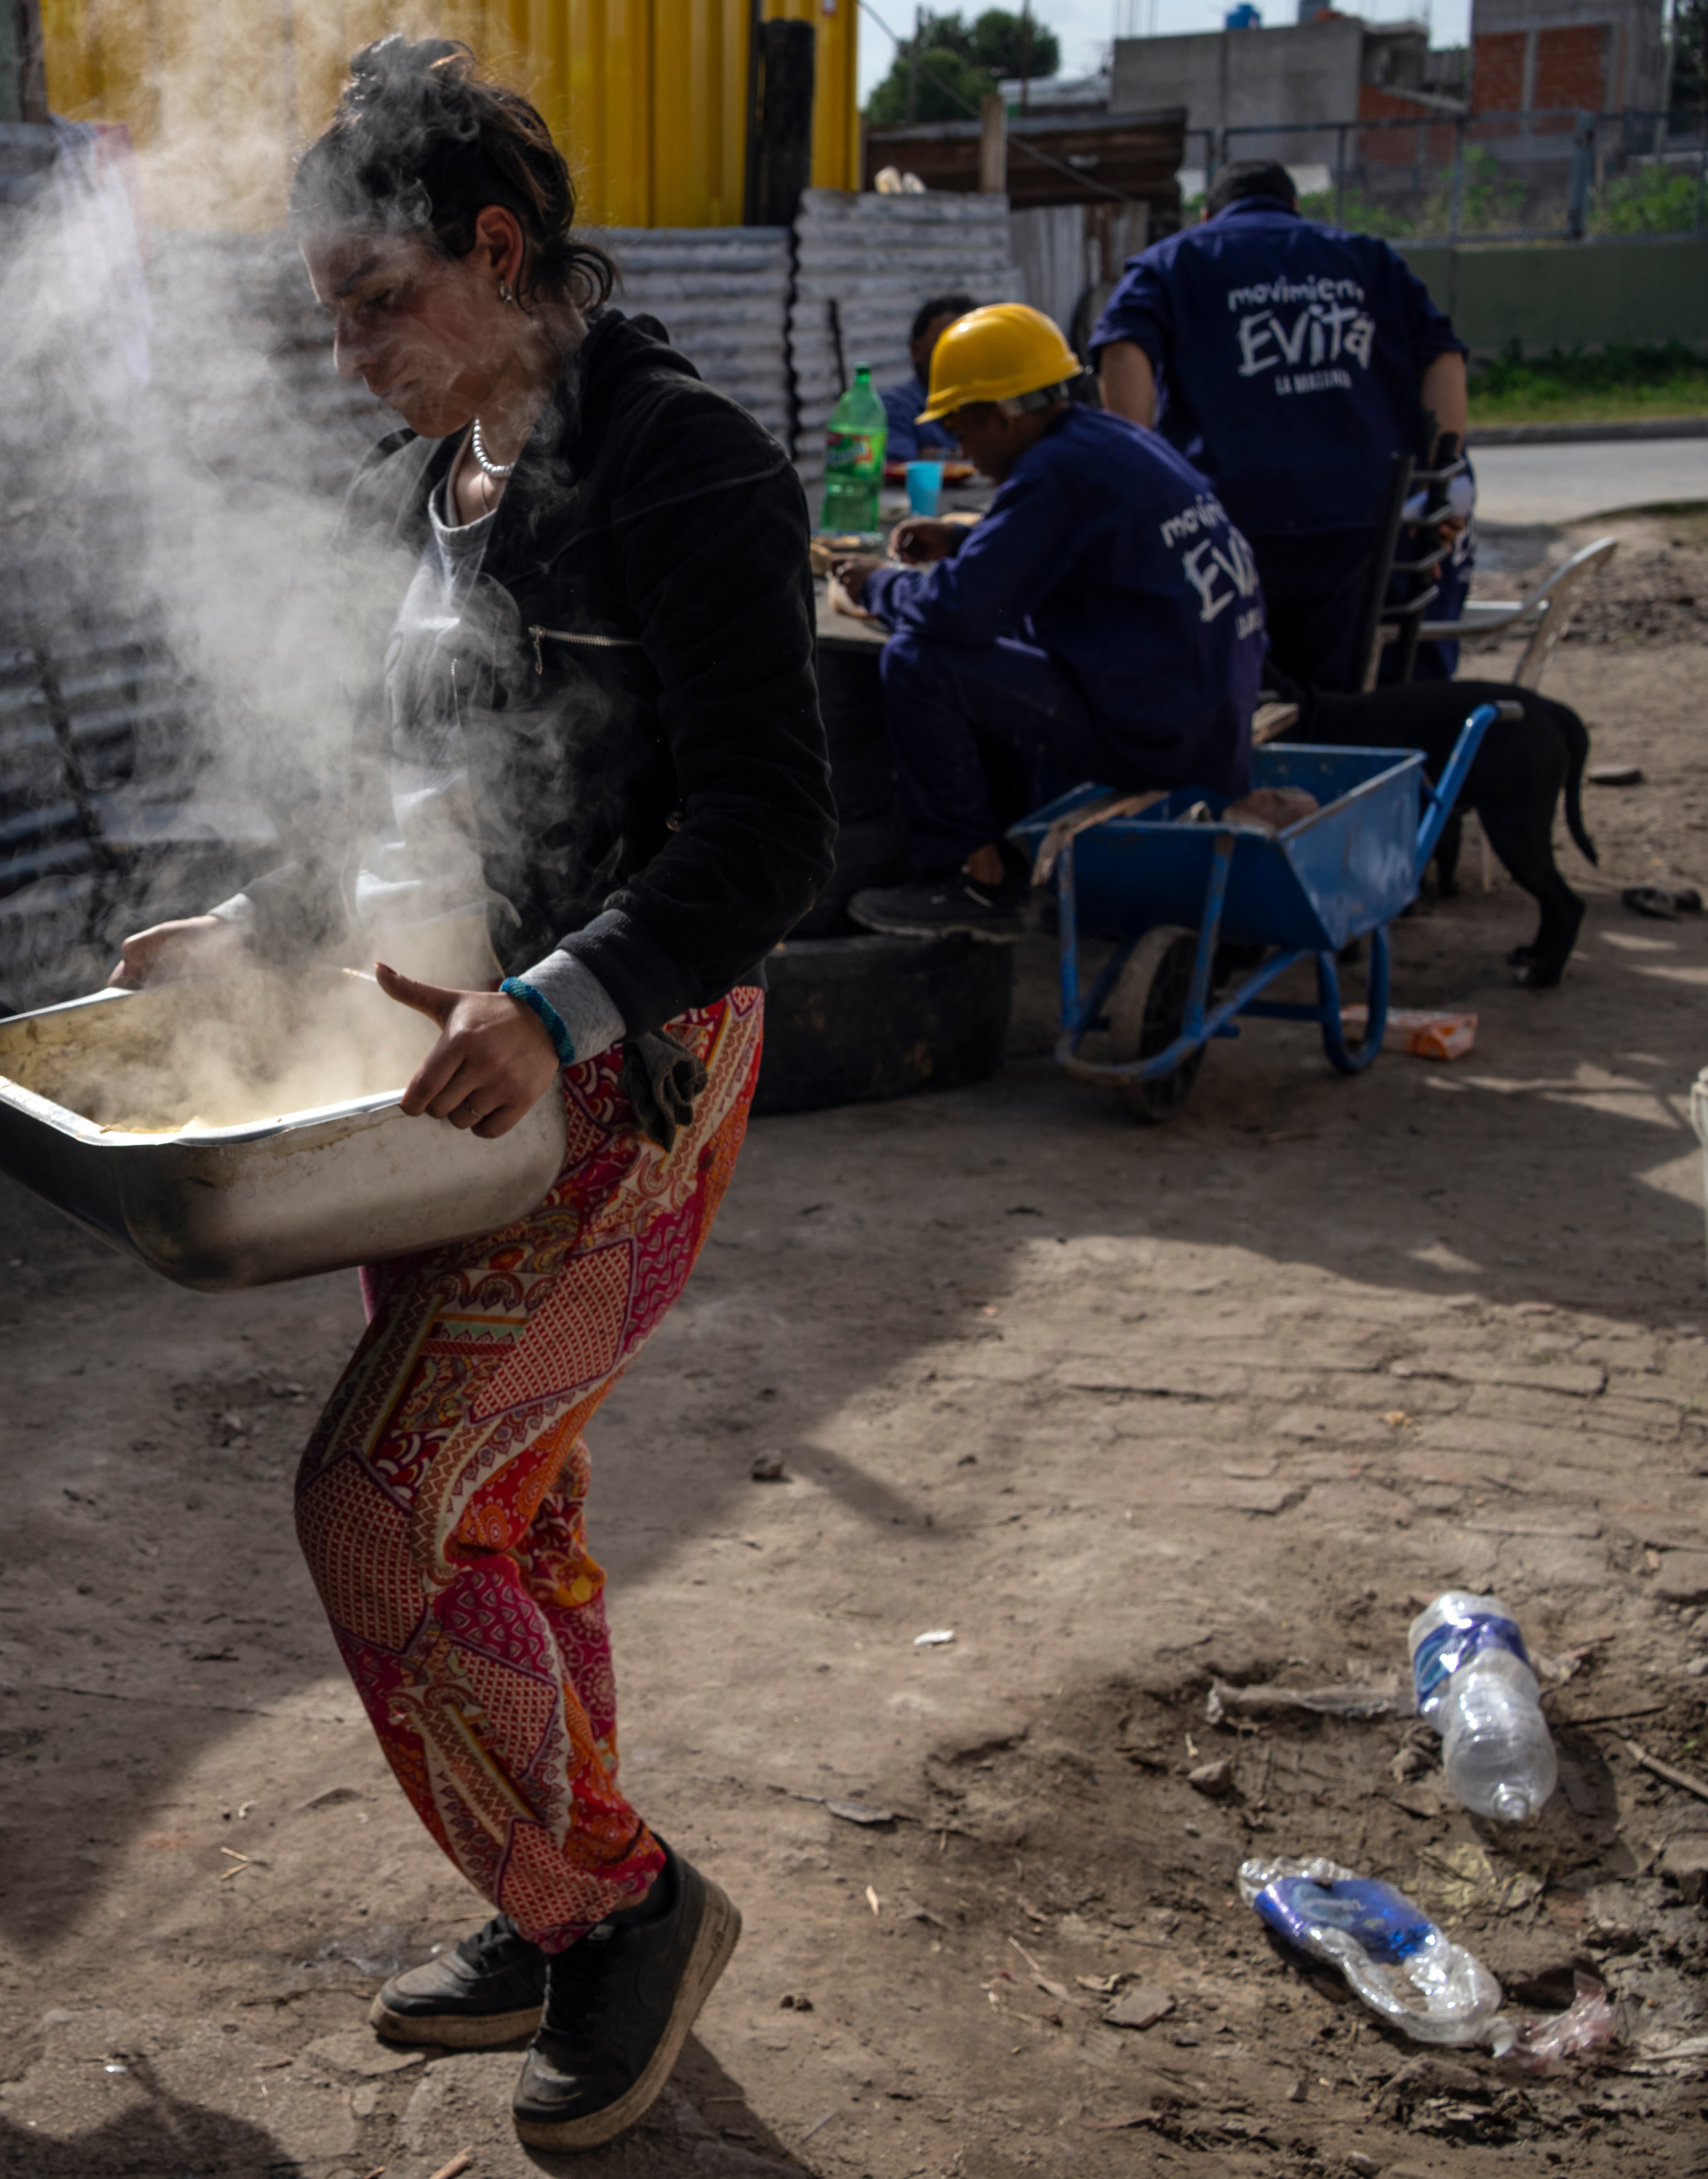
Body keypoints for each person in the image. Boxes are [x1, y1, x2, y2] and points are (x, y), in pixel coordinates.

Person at [112, 39, 833, 2153]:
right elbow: (388, 795)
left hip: (629, 1078)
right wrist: (252, 919)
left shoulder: (682, 463)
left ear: (497, 251)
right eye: (326, 311)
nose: (344, 353)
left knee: (378, 1500)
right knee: (514, 1515)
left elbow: (774, 835)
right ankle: (549, 1895)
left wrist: (559, 993)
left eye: (373, 302)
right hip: (445, 1070)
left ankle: (624, 1904)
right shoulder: (430, 483)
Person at [832, 304, 1267, 940]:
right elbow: (1068, 542)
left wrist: (879, 583)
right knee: (1000, 633)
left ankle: (973, 878)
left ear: (1003, 418)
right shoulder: (1114, 442)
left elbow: (956, 611)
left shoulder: (1055, 473)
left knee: (918, 659)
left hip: (1161, 735)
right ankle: (1004, 839)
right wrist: (965, 538)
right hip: (1210, 710)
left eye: (961, 425)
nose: (960, 446)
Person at [1090, 158, 1469, 694]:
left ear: (1207, 216)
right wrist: (1438, 487)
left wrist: (1138, 485)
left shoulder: (1173, 262)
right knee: (1338, 698)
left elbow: (1124, 345)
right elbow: (1445, 360)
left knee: (1235, 691)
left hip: (1227, 528)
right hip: (1362, 527)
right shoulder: (1369, 259)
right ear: (1295, 208)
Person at [883, 291, 979, 467]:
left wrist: (933, 456)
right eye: (946, 344)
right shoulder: (896, 406)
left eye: (970, 344)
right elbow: (900, 466)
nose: (959, 355)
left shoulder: (994, 402)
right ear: (916, 351)